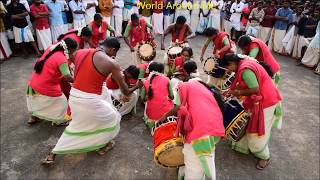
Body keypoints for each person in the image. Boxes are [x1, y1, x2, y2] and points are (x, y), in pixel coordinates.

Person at [41, 37, 142, 164]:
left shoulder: (80, 52)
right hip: (89, 101)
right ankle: (102, 145)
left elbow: (75, 65)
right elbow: (126, 92)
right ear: (112, 49)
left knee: (76, 125)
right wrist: (138, 86)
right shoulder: (112, 64)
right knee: (114, 118)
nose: (114, 56)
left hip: (74, 97)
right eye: (115, 53)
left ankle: (53, 154)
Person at [219, 53, 282, 170]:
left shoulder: (245, 70)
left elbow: (255, 89)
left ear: (232, 63)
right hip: (262, 98)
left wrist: (236, 93)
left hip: (266, 102)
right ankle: (246, 146)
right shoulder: (243, 64)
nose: (228, 70)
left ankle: (264, 156)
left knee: (257, 133)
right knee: (249, 122)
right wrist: (232, 90)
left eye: (228, 67)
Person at [159, 76, 225, 180]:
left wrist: (165, 116)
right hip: (214, 126)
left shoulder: (183, 86)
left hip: (200, 131)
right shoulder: (203, 86)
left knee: (193, 163)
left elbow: (177, 107)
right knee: (202, 157)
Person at [26, 38, 77, 125]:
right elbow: (68, 77)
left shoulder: (53, 50)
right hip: (46, 86)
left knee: (38, 102)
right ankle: (59, 121)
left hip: (33, 84)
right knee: (62, 103)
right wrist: (78, 79)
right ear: (70, 49)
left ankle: (34, 116)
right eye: (75, 50)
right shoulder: (62, 59)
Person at [140, 62, 174, 132]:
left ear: (149, 71)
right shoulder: (166, 79)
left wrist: (149, 96)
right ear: (162, 71)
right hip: (166, 113)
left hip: (152, 115)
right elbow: (172, 97)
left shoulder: (145, 81)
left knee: (148, 103)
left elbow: (142, 99)